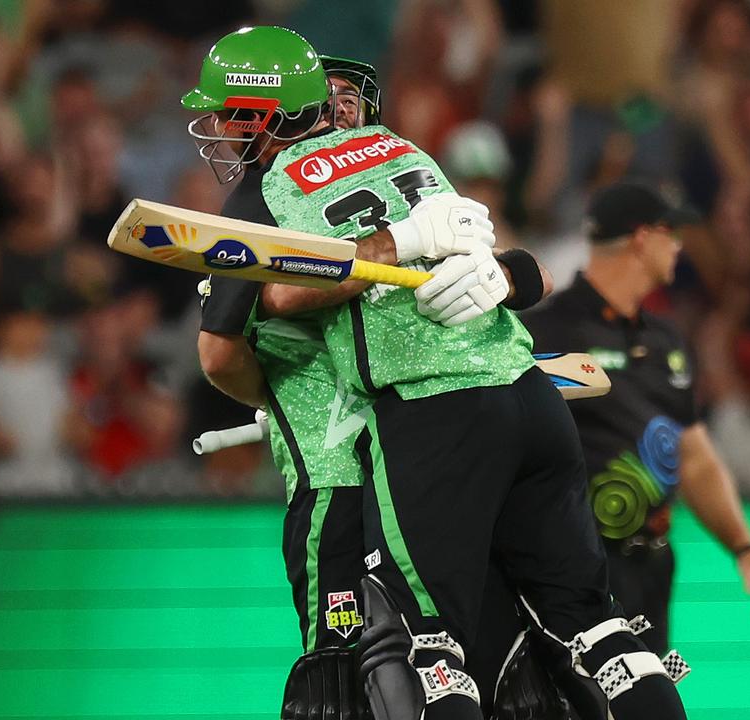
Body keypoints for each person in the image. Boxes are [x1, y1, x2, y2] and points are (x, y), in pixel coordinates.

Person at [194, 30, 689, 720]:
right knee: (594, 630)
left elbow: (243, 330)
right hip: (527, 397)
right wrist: (499, 272)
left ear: (266, 112)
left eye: (225, 111)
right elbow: (526, 271)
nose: (216, 128)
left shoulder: (265, 191)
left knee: (417, 651)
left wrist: (280, 392)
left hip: (417, 426)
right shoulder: (408, 151)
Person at [521, 182, 750, 657]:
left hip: (652, 564)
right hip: (579, 568)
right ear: (641, 238)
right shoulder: (541, 331)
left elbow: (696, 459)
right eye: (671, 232)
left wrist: (745, 548)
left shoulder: (667, 341)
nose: (679, 245)